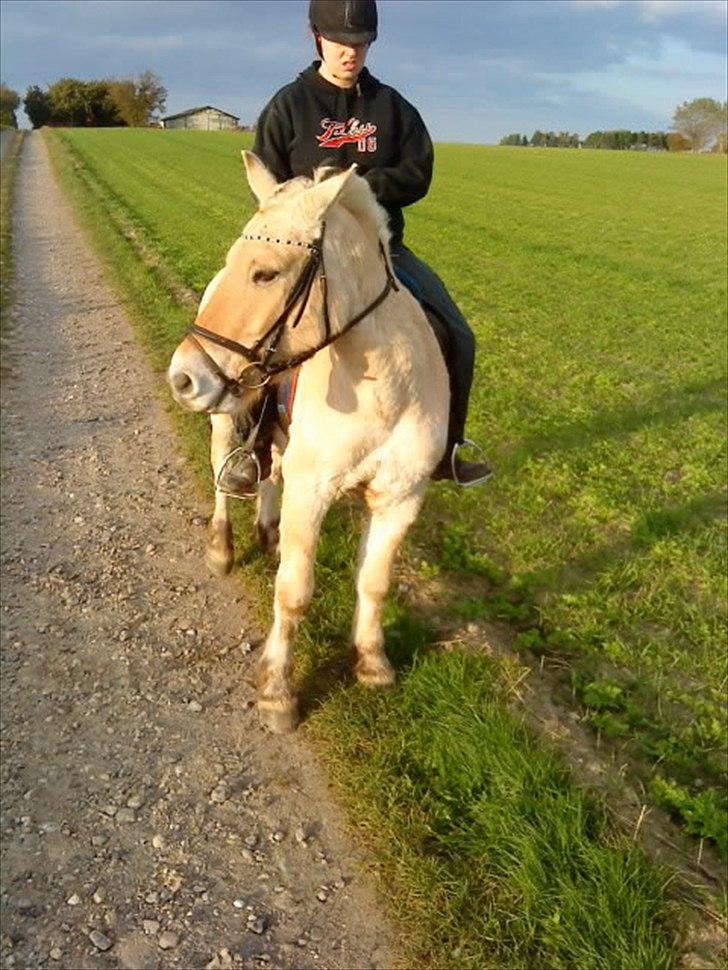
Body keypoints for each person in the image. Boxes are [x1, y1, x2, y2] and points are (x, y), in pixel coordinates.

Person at [238, 0, 491, 487]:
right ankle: (252, 447)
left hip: (383, 254)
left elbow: (418, 173)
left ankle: (449, 449)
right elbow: (267, 184)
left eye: (359, 43)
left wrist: (362, 189)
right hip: (305, 260)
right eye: (339, 42)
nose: (349, 53)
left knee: (459, 334)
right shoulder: (289, 106)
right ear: (316, 39)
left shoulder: (392, 108)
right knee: (259, 336)